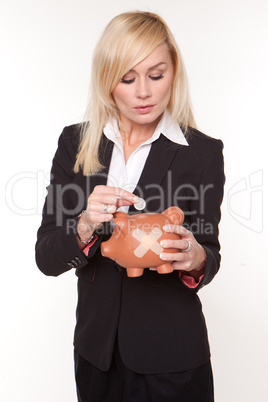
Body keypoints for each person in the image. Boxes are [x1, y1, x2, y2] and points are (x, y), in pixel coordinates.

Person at [35, 11, 225, 402]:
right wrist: (85, 224)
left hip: (171, 359)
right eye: (128, 78)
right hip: (96, 356)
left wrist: (194, 256)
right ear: (108, 80)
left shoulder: (202, 153)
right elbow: (46, 257)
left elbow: (211, 256)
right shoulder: (76, 143)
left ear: (174, 72)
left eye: (156, 75)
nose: (144, 92)